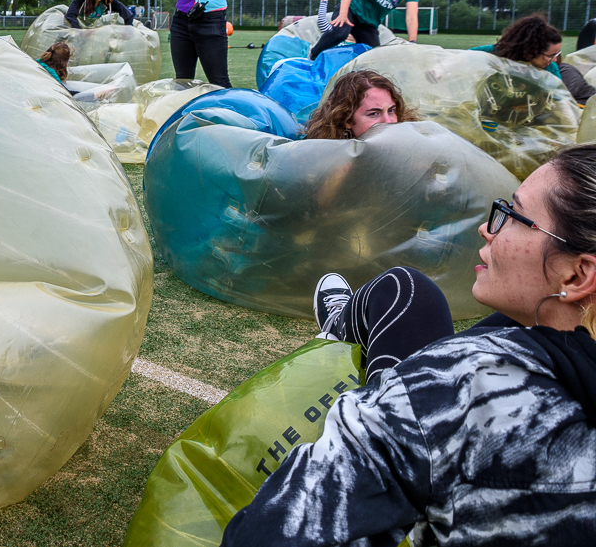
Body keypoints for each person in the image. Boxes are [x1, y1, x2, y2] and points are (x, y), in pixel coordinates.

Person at [223, 143, 596, 545]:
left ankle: (362, 363)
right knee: (417, 291)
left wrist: (400, 410)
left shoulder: (471, 386)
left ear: (577, 275)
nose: (487, 228)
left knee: (404, 291)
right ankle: (346, 327)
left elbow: (269, 532)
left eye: (514, 216)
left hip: (422, 433)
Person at [471, 13, 593, 103]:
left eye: (557, 54)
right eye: (551, 55)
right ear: (531, 51)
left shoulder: (551, 69)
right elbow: (461, 60)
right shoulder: (491, 52)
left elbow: (559, 102)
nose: (555, 59)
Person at [303, 70, 418, 140]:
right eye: (374, 114)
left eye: (391, 111)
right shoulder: (325, 157)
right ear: (347, 120)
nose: (388, 122)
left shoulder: (413, 141)